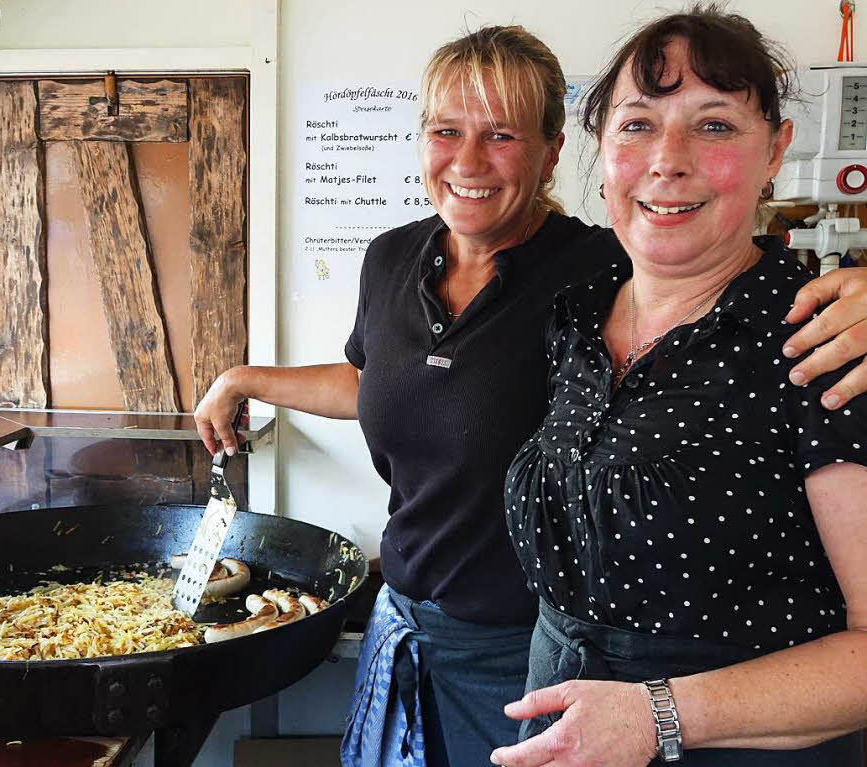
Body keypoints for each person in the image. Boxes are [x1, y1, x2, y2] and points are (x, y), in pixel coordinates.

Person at [195, 25, 867, 767]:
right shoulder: (527, 299)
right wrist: (246, 378)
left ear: (553, 153)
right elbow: (380, 384)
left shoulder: (610, 276)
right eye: (446, 130)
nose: (470, 161)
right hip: (427, 628)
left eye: (502, 135)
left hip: (538, 662)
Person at [496, 7, 867, 766]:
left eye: (716, 126)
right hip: (560, 733)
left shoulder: (821, 339)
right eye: (637, 125)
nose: (668, 159)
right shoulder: (575, 314)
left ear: (776, 151)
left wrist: (655, 715)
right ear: (600, 151)